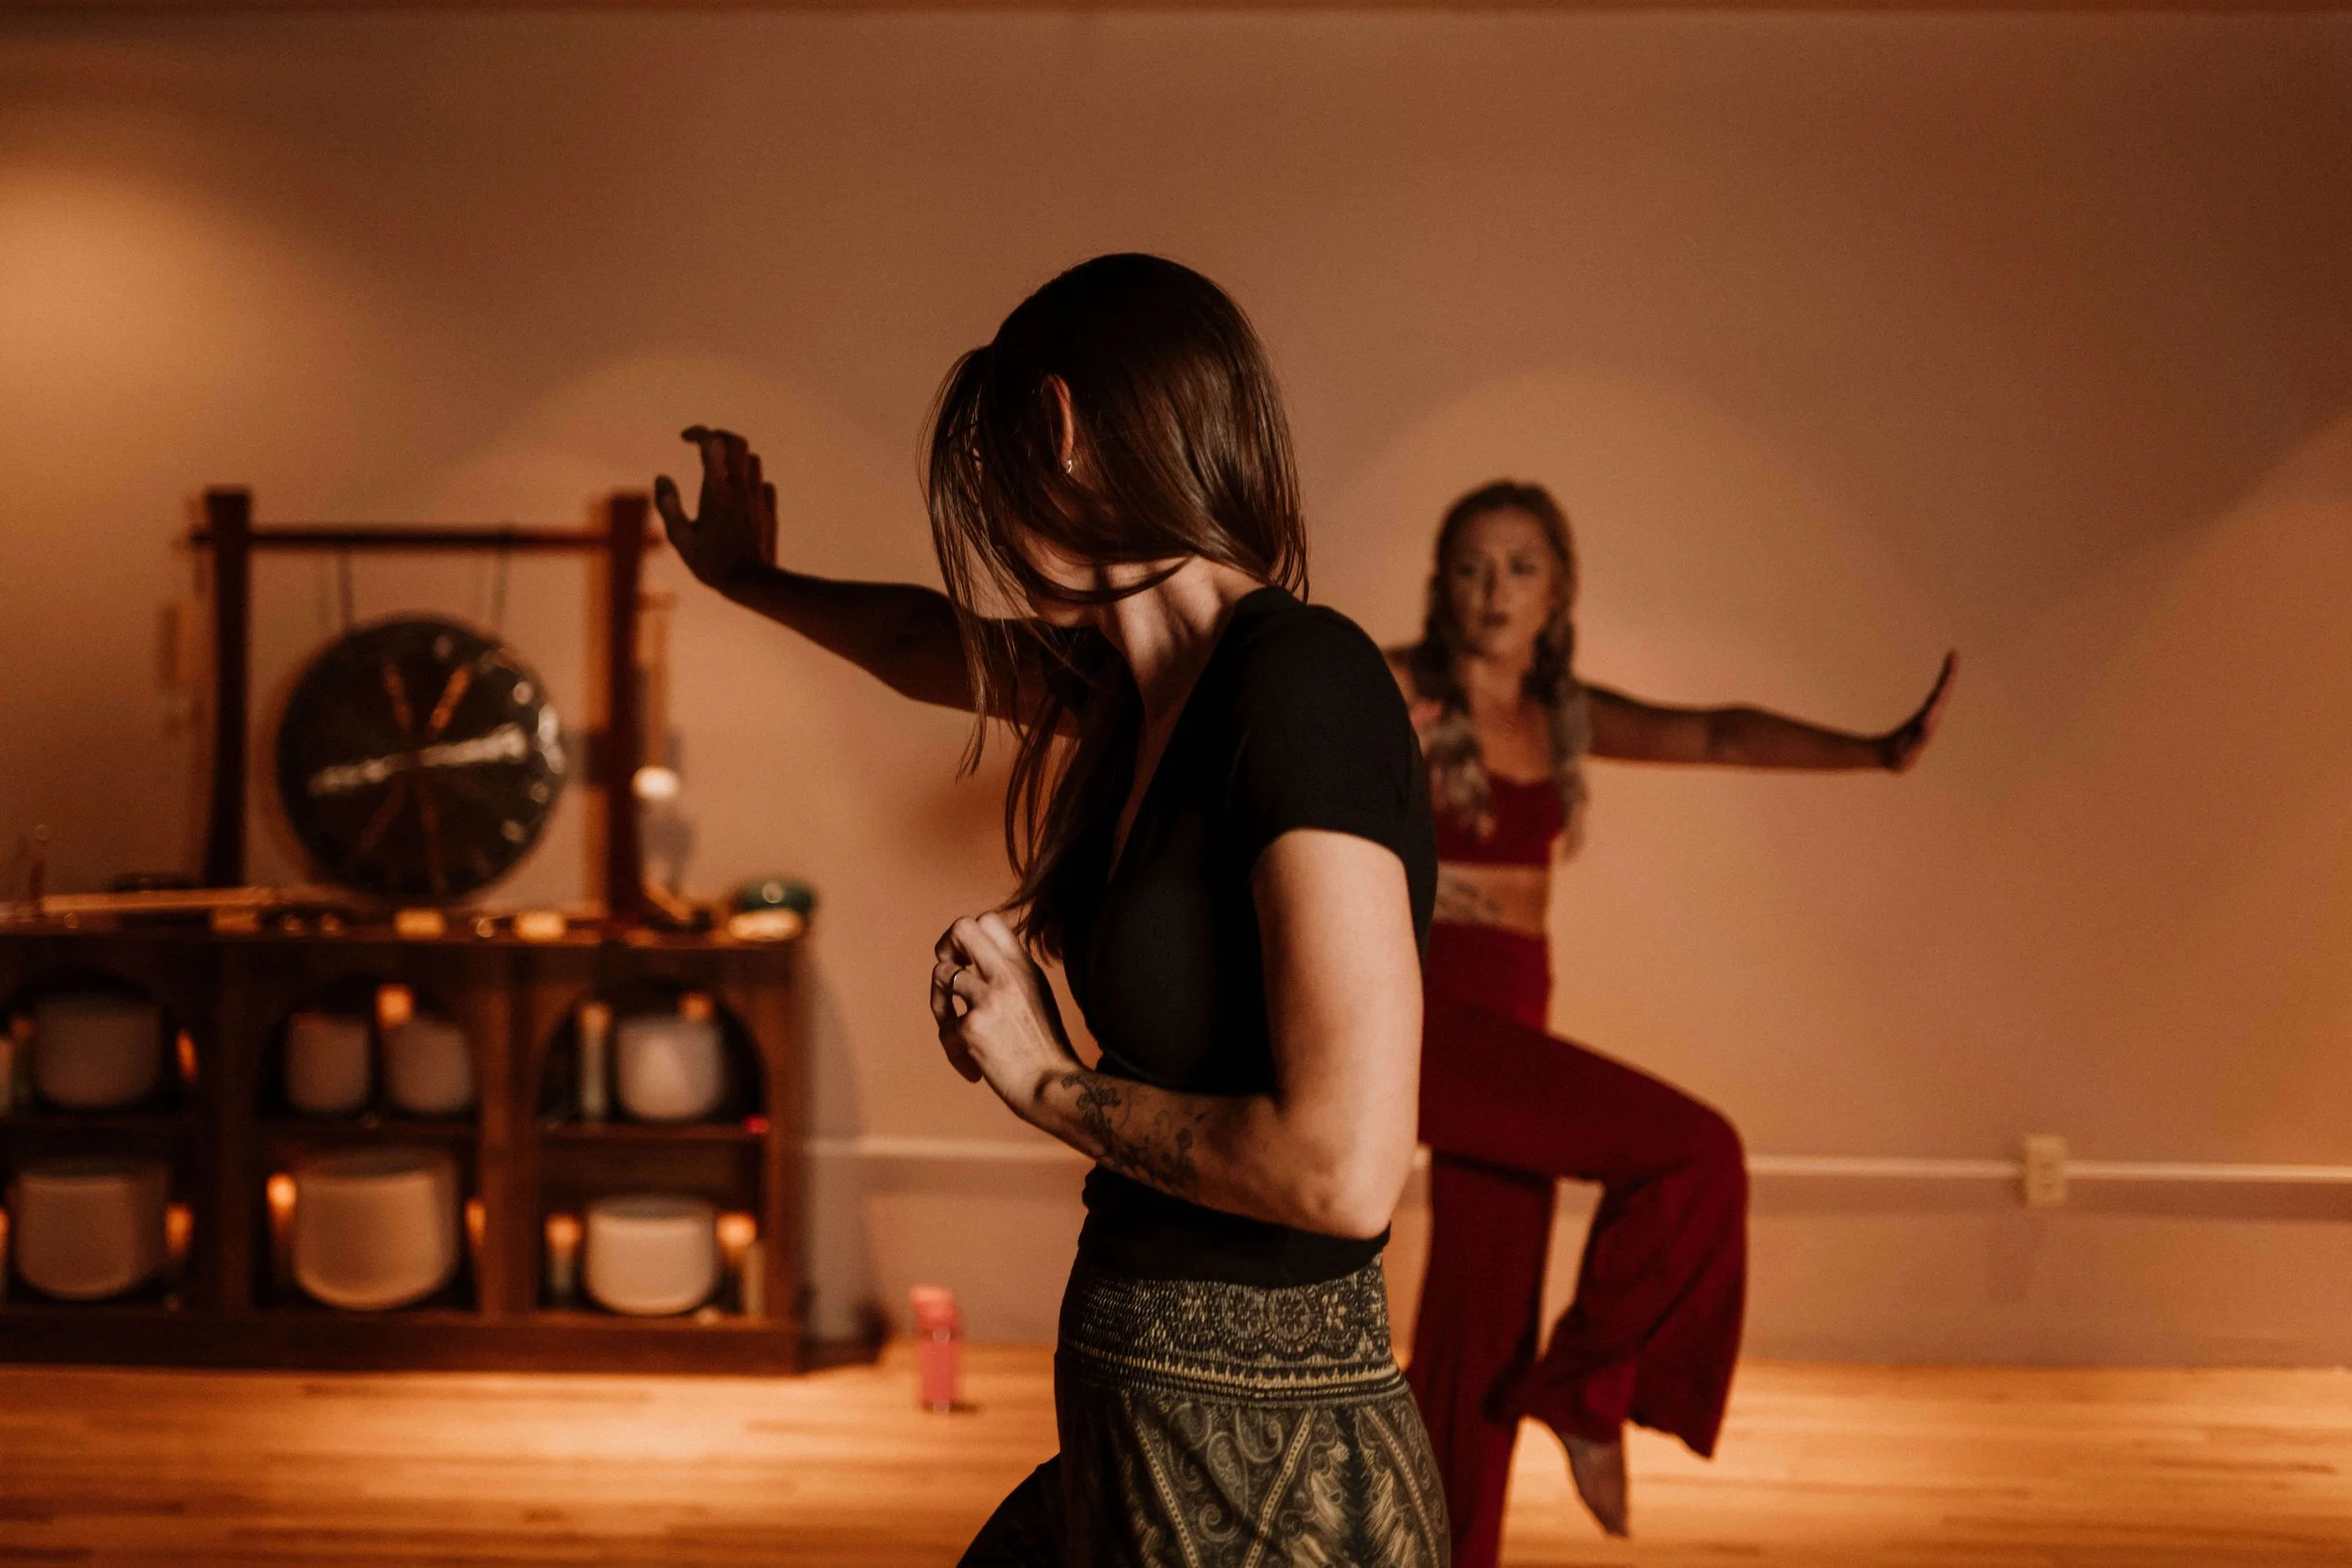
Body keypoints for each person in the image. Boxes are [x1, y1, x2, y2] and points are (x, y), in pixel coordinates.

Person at [654, 254, 1449, 1567]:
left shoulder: (1302, 684)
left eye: (988, 467)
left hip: (1271, 1490)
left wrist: (1042, 1076)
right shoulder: (1146, 691)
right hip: (1140, 1432)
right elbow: (937, 643)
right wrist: (751, 581)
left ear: (1061, 430)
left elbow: (1343, 1166)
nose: (978, 509)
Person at [1392, 481, 1953, 1556]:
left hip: (1515, 1004)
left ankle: (1447, 1546)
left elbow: (1719, 733)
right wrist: (1408, 871)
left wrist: (1875, 750)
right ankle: (1585, 1393)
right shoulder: (1390, 685)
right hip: (1420, 1009)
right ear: (1441, 583)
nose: (1492, 588)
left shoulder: (1562, 712)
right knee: (1696, 1148)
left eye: (1518, 566)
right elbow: (1270, 744)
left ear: (1558, 591)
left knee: (1483, 1311)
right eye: (1470, 565)